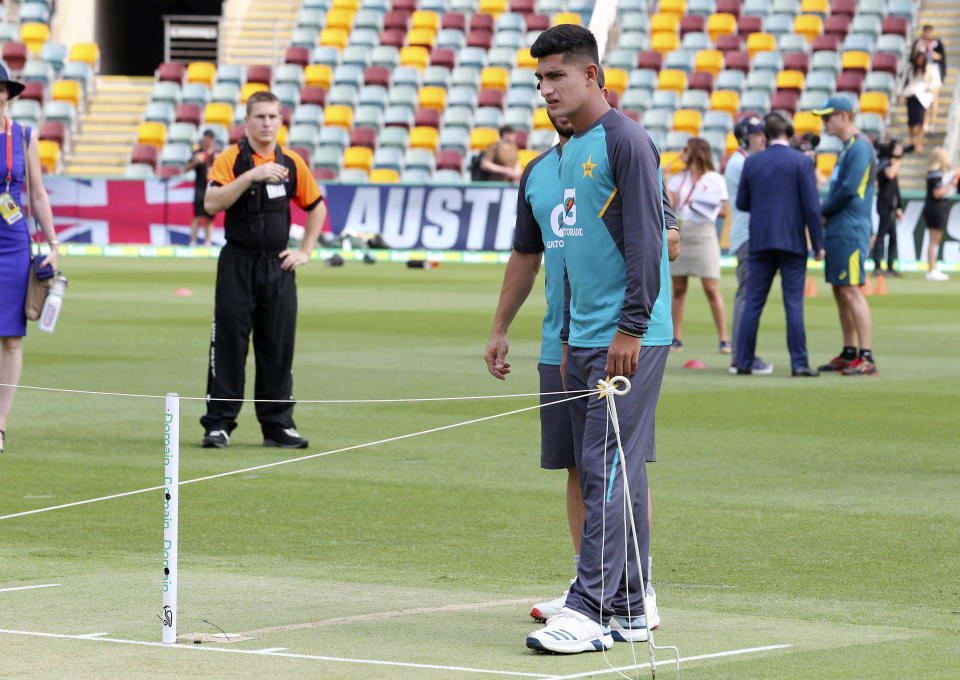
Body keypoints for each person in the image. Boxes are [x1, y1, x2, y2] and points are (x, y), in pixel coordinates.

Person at [524, 24, 673, 654]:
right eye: (539, 80)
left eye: (556, 76)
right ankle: (631, 603)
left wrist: (631, 325)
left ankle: (590, 609)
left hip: (627, 335)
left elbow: (648, 237)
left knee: (607, 463)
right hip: (584, 335)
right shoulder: (567, 151)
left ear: (593, 75)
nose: (545, 90)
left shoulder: (624, 139)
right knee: (607, 465)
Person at [199, 91, 326, 449]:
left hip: (277, 265)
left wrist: (305, 251)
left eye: (273, 117)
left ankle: (277, 426)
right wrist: (251, 176)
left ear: (281, 122)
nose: (267, 123)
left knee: (278, 346)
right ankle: (219, 424)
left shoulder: (292, 162)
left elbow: (316, 206)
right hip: (237, 262)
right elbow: (211, 203)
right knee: (228, 344)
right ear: (247, 122)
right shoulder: (231, 159)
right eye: (260, 117)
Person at [735, 111, 824, 377]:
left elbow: (742, 203)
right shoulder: (801, 161)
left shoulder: (753, 162)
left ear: (765, 135)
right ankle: (799, 364)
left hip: (760, 240)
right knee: (793, 304)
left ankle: (743, 361)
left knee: (753, 303)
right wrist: (819, 243)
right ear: (790, 132)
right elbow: (811, 207)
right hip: (792, 240)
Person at [0, 65, 59, 455]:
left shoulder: (23, 136)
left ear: (6, 93)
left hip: (13, 242)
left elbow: (37, 194)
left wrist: (53, 243)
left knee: (10, 339)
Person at [813, 97, 878, 376]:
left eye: (827, 118)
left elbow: (850, 189)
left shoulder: (860, 146)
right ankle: (849, 351)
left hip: (851, 227)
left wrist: (823, 211)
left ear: (842, 116)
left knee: (852, 289)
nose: (823, 123)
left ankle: (866, 356)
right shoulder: (848, 147)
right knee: (841, 289)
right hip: (840, 227)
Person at [665, 137, 730, 353]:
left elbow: (723, 211)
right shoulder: (677, 178)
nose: (681, 152)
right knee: (679, 289)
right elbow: (670, 207)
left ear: (696, 151)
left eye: (685, 148)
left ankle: (723, 338)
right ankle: (676, 337)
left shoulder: (715, 179)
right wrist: (664, 181)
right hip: (682, 234)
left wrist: (701, 205)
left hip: (704, 236)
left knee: (711, 288)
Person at [724, 115, 773, 375]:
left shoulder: (741, 161)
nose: (763, 138)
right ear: (746, 137)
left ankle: (741, 354)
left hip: (746, 234)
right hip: (748, 236)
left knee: (746, 295)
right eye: (757, 134)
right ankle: (741, 355)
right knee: (747, 296)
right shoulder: (742, 163)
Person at [922, 147, 959, 282]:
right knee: (933, 241)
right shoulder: (937, 173)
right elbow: (937, 193)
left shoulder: (932, 172)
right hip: (936, 208)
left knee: (935, 241)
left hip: (933, 207)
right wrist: (951, 185)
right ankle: (932, 270)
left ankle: (933, 268)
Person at [871, 139, 904, 277]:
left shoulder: (889, 162)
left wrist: (898, 207)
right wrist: (898, 162)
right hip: (884, 204)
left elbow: (895, 188)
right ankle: (878, 266)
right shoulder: (885, 162)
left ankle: (890, 265)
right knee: (881, 234)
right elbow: (889, 174)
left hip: (892, 205)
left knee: (892, 236)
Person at [899, 51, 940, 153]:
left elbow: (935, 83)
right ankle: (912, 142)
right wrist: (900, 93)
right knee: (911, 121)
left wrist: (928, 88)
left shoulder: (930, 69)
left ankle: (919, 142)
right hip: (911, 95)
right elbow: (903, 81)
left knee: (920, 121)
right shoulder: (910, 69)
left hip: (922, 97)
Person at [184, 129, 219, 246]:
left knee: (210, 218)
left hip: (213, 188)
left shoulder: (218, 154)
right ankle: (193, 241)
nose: (206, 142)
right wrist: (196, 161)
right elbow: (186, 168)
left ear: (212, 140)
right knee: (197, 216)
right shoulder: (198, 152)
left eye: (208, 140)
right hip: (199, 188)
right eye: (204, 140)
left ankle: (207, 242)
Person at [911, 25, 946, 130]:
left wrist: (935, 55)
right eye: (926, 32)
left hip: (934, 71)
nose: (927, 34)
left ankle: (933, 122)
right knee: (925, 98)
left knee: (934, 97)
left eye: (929, 32)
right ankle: (924, 122)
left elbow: (942, 57)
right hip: (924, 72)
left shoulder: (936, 43)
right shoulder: (919, 43)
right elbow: (914, 57)